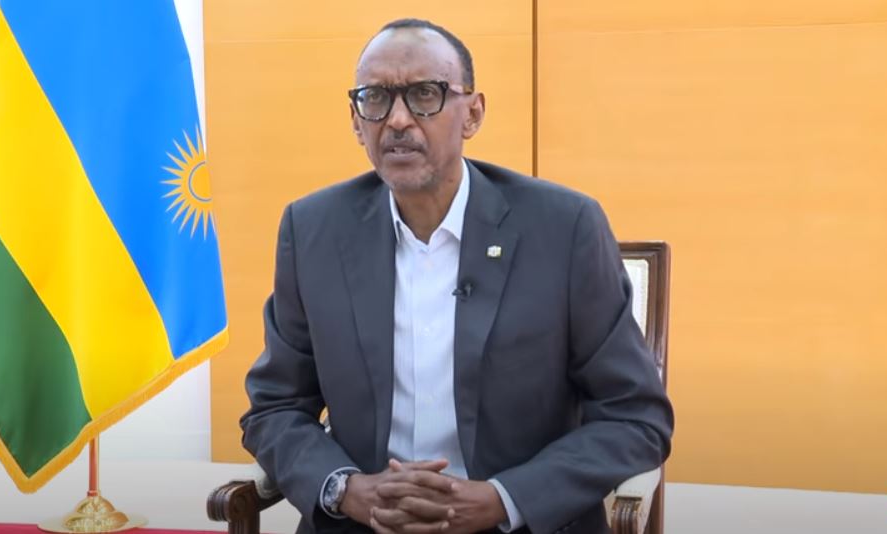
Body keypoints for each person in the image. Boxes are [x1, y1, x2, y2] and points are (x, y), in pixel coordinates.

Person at [240, 18, 674, 534]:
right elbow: (275, 407)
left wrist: (504, 499)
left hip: (518, 524)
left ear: (473, 113)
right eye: (375, 98)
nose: (398, 120)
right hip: (362, 523)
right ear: (356, 121)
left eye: (425, 94)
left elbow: (635, 417)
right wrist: (347, 490)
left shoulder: (564, 228)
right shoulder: (313, 230)